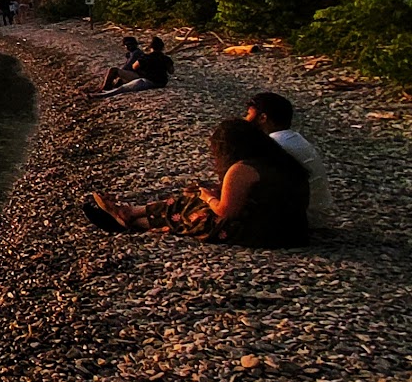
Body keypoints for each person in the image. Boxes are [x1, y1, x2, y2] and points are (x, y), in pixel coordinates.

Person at [83, 118, 310, 246]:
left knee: (195, 212)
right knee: (193, 198)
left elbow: (226, 212)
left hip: (264, 234)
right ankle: (130, 212)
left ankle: (133, 222)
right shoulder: (277, 160)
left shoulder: (242, 168)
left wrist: (209, 196)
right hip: (291, 230)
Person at [246, 90, 335, 228]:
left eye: (249, 114)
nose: (246, 119)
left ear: (263, 117)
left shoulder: (274, 144)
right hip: (317, 211)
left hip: (301, 216)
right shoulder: (293, 138)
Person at [95, 36, 173, 97]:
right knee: (122, 84)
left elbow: (134, 67)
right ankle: (106, 91)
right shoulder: (166, 58)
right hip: (162, 82)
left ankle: (102, 93)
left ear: (150, 47)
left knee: (123, 88)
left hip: (148, 81)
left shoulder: (146, 57)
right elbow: (171, 71)